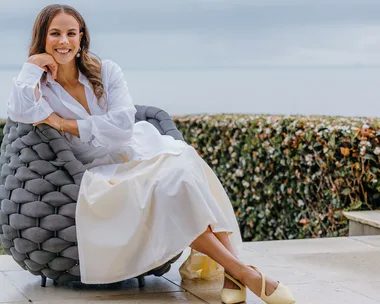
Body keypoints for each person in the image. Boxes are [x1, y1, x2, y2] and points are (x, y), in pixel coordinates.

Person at [6, 4, 295, 304]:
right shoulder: (41, 85)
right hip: (99, 173)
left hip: (138, 151)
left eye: (71, 33)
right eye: (55, 34)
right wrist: (32, 64)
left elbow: (122, 127)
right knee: (177, 185)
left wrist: (65, 123)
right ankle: (242, 272)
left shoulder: (106, 71)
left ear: (82, 39)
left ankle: (240, 273)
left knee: (183, 173)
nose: (63, 42)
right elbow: (18, 109)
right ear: (43, 38)